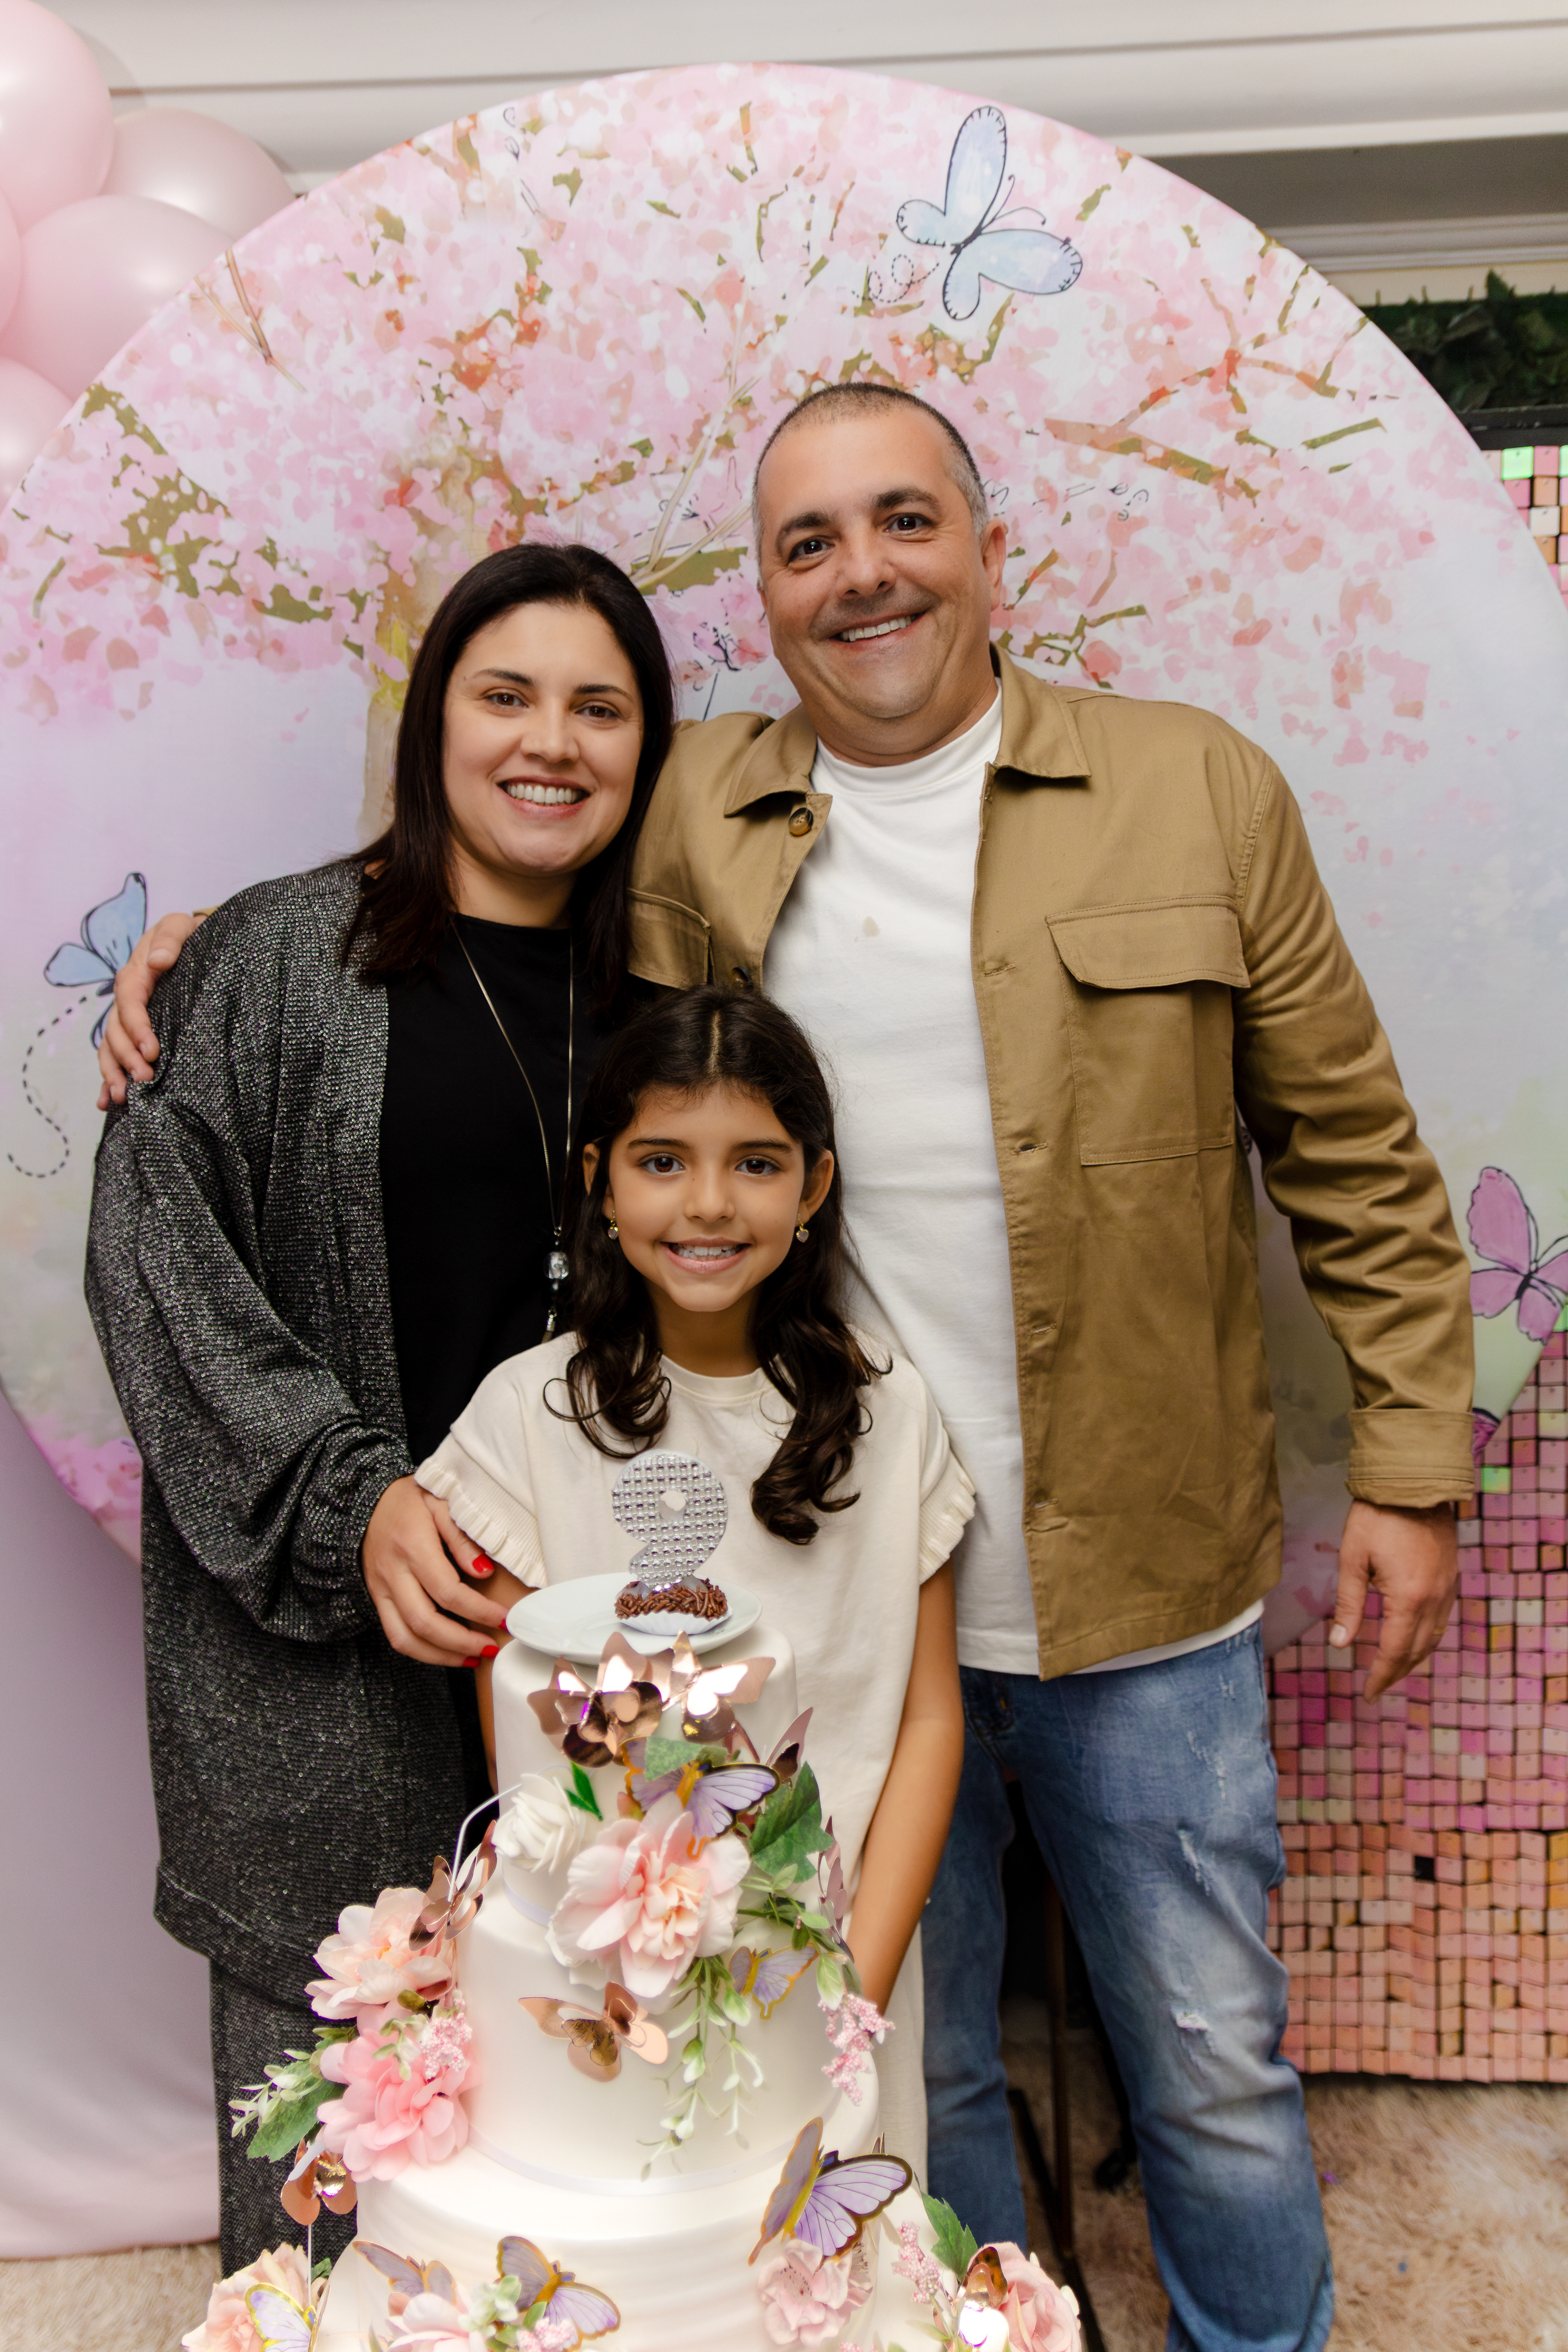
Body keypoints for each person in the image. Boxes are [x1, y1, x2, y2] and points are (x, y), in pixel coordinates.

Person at [102, 383, 1475, 2352]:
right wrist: (228, 942)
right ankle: (974, 2322)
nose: (865, 575)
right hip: (821, 1599)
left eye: (906, 521)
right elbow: (475, 848)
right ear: (761, 594)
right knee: (902, 2067)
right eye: (808, 543)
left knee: (1216, 2063)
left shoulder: (1198, 789)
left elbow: (1348, 1143)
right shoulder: (703, 810)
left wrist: (1413, 1470)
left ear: (1000, 551)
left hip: (1136, 1580)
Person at [84, 539, 674, 2274]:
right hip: (321, 1674)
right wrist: (351, 1498)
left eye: (600, 705)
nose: (548, 741)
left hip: (589, 1676)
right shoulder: (268, 963)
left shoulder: (673, 1003)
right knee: (332, 2202)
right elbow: (156, 1261)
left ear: (645, 751)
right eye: (506, 695)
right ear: (433, 727)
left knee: (583, 2175)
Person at [415, 982, 970, 2165]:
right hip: (601, 1984)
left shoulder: (892, 1413)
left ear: (814, 1187)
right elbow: (529, 1751)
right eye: (663, 1160)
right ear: (599, 1181)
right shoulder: (527, 1416)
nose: (709, 1203)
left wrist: (849, 1992)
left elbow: (925, 1718)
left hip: (833, 1962)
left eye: (757, 1164)